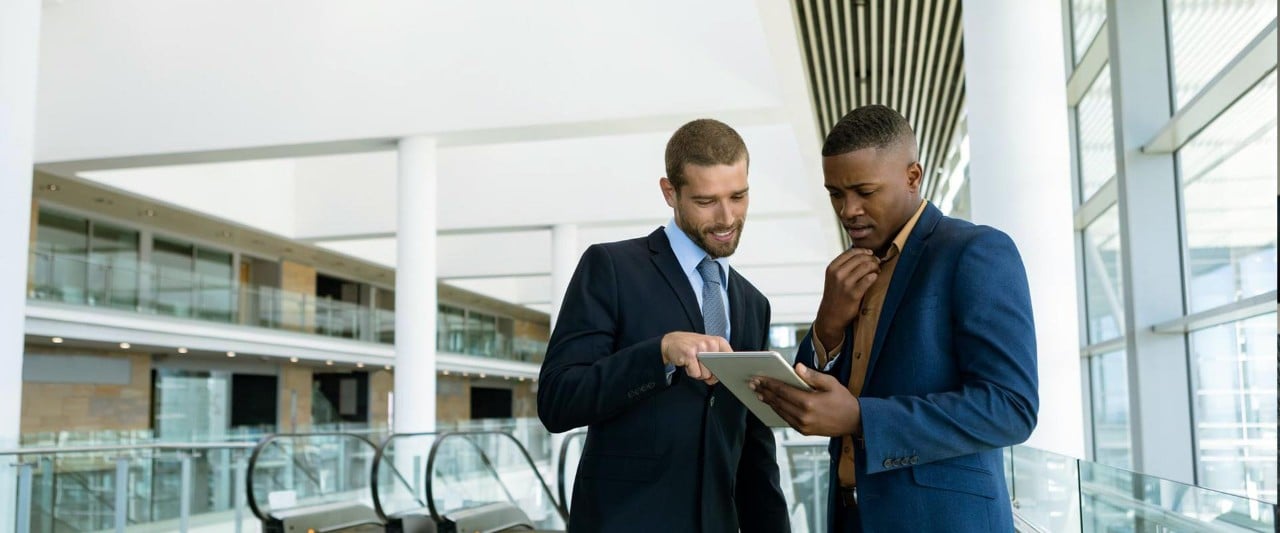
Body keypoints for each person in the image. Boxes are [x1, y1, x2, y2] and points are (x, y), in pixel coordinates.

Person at [752, 105, 1038, 532]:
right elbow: (814, 387)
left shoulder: (974, 252)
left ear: (912, 177)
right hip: (850, 516)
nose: (848, 210)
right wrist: (828, 324)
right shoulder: (850, 269)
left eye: (864, 192)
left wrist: (861, 419)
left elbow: (1012, 407)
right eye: (836, 194)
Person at [537, 118, 789, 532]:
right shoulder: (612, 268)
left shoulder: (752, 303)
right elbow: (558, 401)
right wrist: (659, 353)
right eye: (707, 201)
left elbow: (754, 449)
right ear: (670, 193)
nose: (727, 217)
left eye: (738, 196)